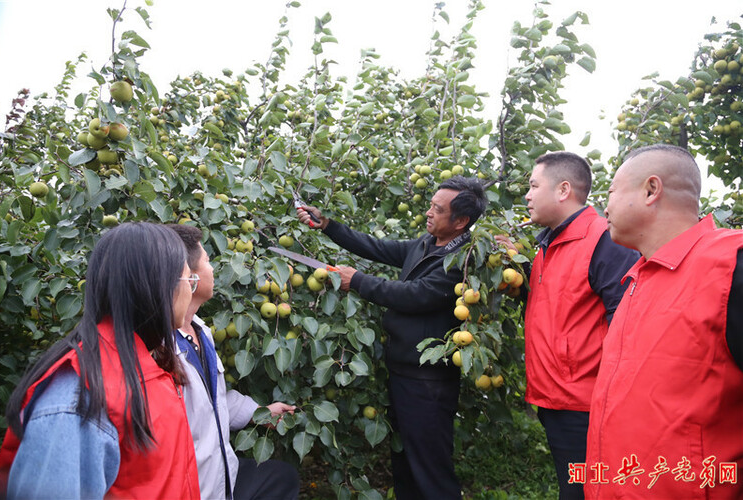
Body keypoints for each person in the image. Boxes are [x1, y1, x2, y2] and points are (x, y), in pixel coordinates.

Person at [297, 175, 487, 499]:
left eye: (437, 209)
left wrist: (356, 280)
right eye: (430, 205)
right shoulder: (427, 244)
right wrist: (328, 225)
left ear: (461, 221)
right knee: (405, 463)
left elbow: (414, 295)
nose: (428, 212)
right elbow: (376, 247)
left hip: (428, 382)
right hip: (403, 373)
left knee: (430, 469)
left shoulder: (460, 262)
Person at [0, 222, 200, 499]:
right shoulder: (77, 401)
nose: (191, 291)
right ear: (158, 284)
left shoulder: (142, 365)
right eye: (190, 280)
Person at [585, 144, 743, 499]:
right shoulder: (636, 281)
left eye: (610, 193)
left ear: (651, 190)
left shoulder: (730, 267)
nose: (604, 208)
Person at [495, 152, 639, 500]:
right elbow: (560, 301)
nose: (527, 195)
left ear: (563, 190)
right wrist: (519, 268)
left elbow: (627, 321)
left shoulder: (603, 240)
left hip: (585, 404)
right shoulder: (550, 242)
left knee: (585, 492)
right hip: (555, 398)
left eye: (533, 186)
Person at [168, 224, 299, 500]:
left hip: (224, 472)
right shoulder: (163, 349)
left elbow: (216, 399)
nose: (213, 268)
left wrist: (261, 412)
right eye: (206, 261)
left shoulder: (201, 331)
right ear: (188, 276)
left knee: (282, 477)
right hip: (195, 487)